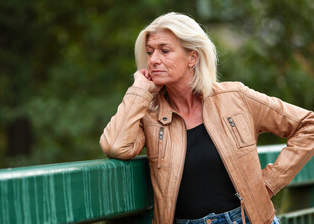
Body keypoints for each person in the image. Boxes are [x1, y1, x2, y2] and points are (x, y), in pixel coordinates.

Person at [99, 12, 314, 224]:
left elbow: (308, 125)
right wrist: (139, 90)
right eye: (149, 52)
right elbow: (115, 146)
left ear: (192, 57)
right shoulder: (149, 115)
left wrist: (268, 184)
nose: (153, 60)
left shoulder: (235, 98)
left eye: (164, 50)